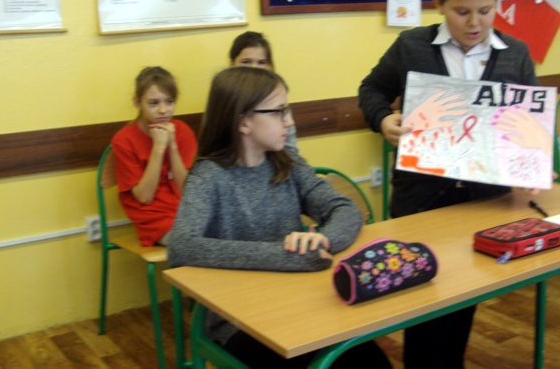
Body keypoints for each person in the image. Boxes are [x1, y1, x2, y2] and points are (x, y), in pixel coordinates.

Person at [358, 0, 540, 368]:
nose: (474, 22)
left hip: (484, 202)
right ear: (439, 4)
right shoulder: (412, 46)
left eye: (485, 10)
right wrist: (383, 118)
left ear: (497, 3)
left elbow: (529, 123)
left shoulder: (516, 54)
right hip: (421, 200)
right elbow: (371, 89)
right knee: (425, 302)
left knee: (464, 298)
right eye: (461, 12)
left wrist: (532, 159)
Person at [169, 66, 391, 369]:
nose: (289, 121)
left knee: (370, 362)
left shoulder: (288, 163)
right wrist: (284, 256)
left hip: (297, 301)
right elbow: (181, 246)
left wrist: (322, 240)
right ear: (244, 122)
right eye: (278, 112)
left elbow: (344, 209)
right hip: (236, 319)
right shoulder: (209, 176)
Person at [111, 66, 197, 246]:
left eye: (169, 102)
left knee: (226, 235)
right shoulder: (123, 139)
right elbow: (145, 197)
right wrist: (158, 147)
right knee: (193, 246)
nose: (163, 110)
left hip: (186, 212)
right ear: (137, 103)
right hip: (153, 220)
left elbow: (188, 191)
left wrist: (172, 146)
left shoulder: (182, 131)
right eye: (153, 103)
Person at [228, 31, 298, 149]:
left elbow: (290, 149)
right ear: (232, 64)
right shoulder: (225, 100)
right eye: (246, 62)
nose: (254, 68)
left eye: (261, 62)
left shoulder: (277, 100)